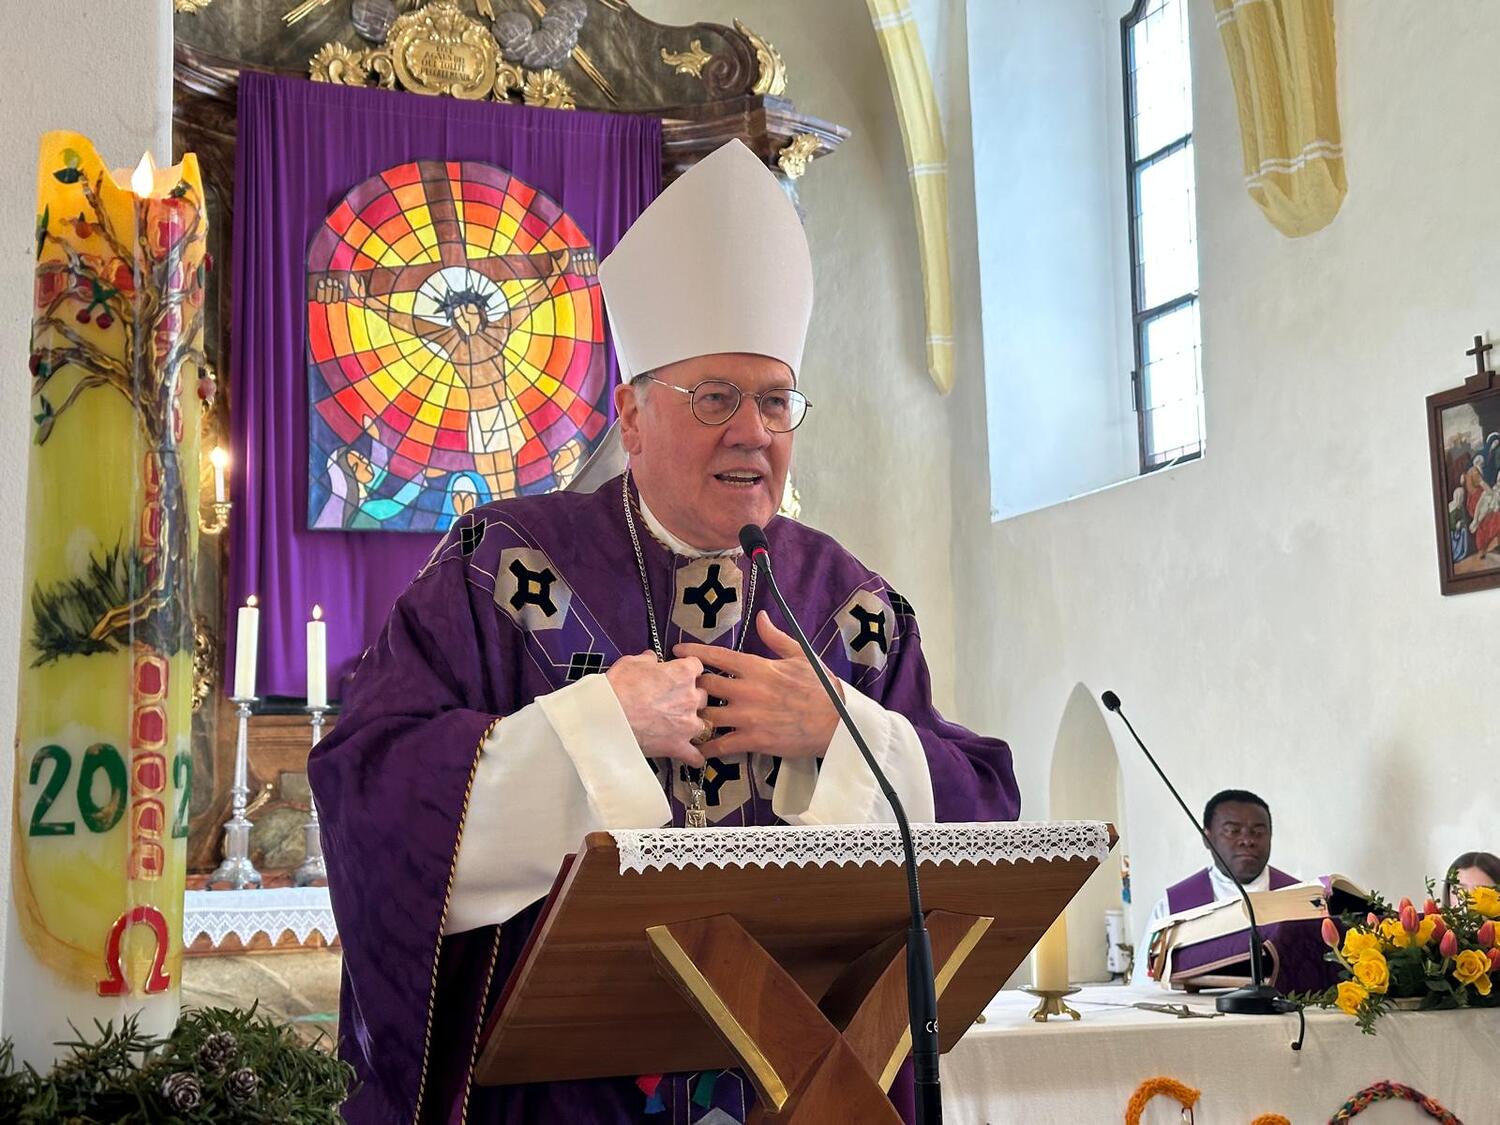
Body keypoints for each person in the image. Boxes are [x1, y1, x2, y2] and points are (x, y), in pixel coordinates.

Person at [309, 139, 1021, 1125]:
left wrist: (842, 732)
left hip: (801, 1096)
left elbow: (983, 819)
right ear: (634, 419)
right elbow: (370, 790)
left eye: (775, 400)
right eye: (715, 398)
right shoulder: (502, 566)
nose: (753, 431)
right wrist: (595, 728)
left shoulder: (851, 608)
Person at [1132, 789, 1297, 983]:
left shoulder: (1301, 899)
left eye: (1258, 832)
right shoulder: (1172, 908)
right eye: (1232, 831)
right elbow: (1146, 986)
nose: (1247, 840)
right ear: (1207, 838)